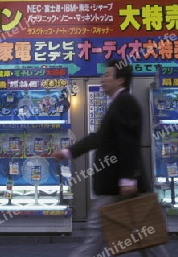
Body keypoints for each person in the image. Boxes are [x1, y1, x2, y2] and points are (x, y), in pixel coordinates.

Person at [52, 59, 169, 257]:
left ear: (120, 80)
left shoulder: (125, 103)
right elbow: (99, 138)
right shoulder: (118, 104)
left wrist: (127, 179)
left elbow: (129, 142)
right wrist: (69, 152)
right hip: (118, 186)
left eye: (107, 75)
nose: (102, 79)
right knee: (143, 235)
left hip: (117, 186)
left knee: (99, 234)